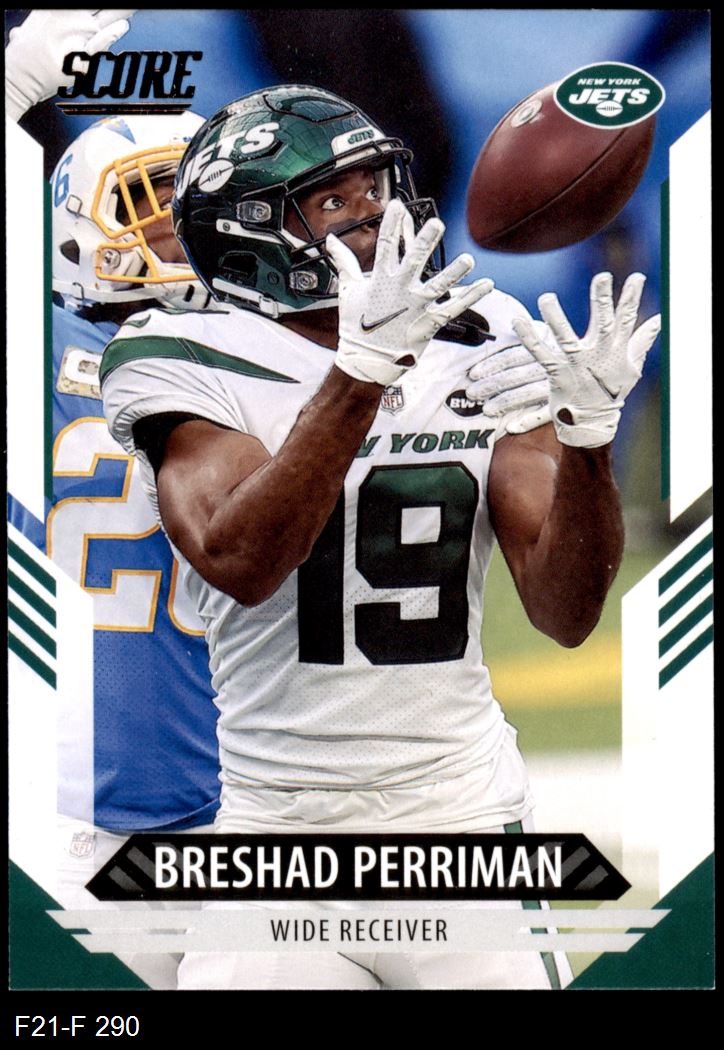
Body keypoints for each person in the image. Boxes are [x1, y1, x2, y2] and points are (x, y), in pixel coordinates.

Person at [102, 84, 660, 990]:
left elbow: (563, 611)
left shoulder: (483, 333)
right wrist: (363, 370)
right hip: (274, 839)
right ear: (250, 234)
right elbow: (243, 560)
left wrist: (589, 441)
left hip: (461, 826)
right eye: (333, 199)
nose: (376, 215)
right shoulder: (175, 351)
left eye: (377, 186)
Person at [9, 106, 222, 989]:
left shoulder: (264, 346)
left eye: (199, 197)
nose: (183, 221)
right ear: (78, 224)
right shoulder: (31, 343)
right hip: (79, 814)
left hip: (248, 802)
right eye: (154, 198)